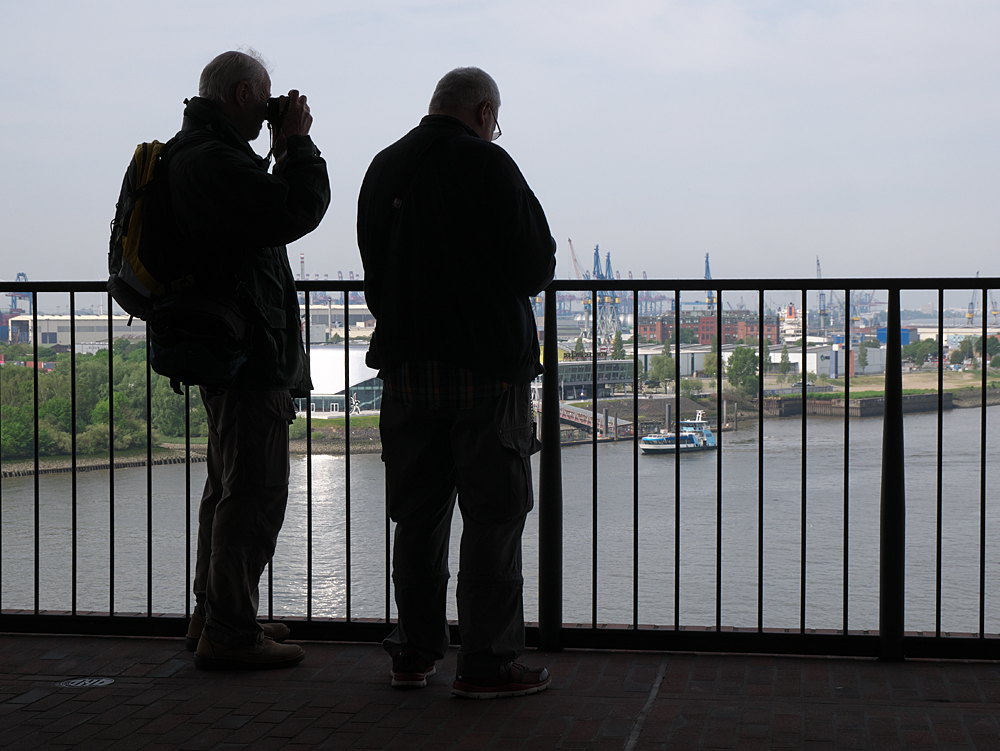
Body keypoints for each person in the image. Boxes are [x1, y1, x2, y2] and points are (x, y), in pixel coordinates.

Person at [357, 67, 556, 698]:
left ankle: (413, 652)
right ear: (484, 111)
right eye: (495, 120)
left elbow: (374, 269)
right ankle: (487, 663)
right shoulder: (489, 164)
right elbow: (536, 265)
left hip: (406, 371)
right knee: (494, 517)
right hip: (485, 374)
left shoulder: (384, 166)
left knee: (417, 518)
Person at [167, 50, 330, 669]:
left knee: (227, 489)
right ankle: (230, 632)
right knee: (255, 494)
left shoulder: (196, 153)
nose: (270, 109)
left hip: (227, 348)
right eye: (264, 98)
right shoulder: (215, 161)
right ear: (241, 95)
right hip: (247, 354)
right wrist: (296, 145)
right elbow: (296, 208)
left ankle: (215, 614)